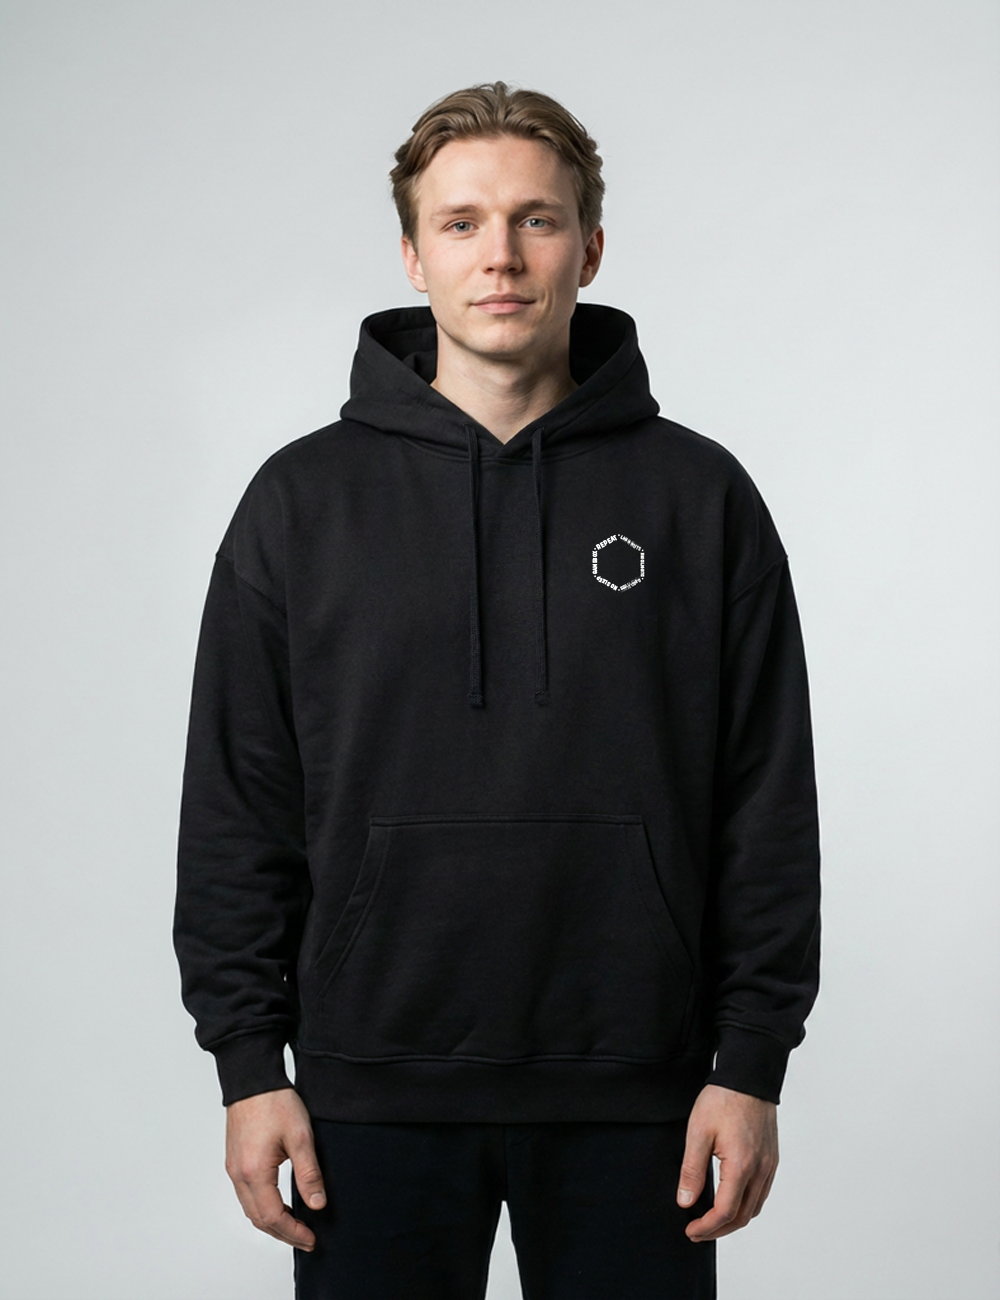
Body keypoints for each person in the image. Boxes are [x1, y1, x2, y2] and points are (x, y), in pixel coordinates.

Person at [173, 81, 821, 1300]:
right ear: (413, 256)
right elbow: (237, 803)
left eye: (536, 219)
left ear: (589, 247)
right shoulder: (300, 505)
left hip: (642, 1092)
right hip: (369, 1091)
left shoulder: (700, 499)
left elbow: (765, 801)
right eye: (462, 222)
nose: (502, 256)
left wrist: (750, 1063)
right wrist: (248, 1066)